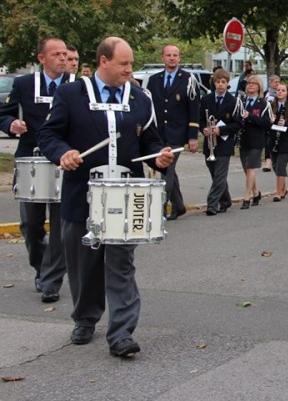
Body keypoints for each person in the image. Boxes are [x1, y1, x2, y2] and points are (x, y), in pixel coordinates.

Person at [37, 36, 174, 356]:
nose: (130, 69)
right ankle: (85, 317)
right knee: (84, 263)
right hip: (80, 194)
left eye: (131, 63)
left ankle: (122, 332)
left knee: (121, 263)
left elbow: (151, 142)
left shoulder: (141, 99)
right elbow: (48, 134)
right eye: (124, 64)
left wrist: (159, 157)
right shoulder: (72, 94)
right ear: (103, 62)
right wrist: (63, 153)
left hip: (125, 197)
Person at [0, 37, 73, 302]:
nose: (63, 59)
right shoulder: (23, 84)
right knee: (30, 224)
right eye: (57, 55)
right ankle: (41, 267)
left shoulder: (76, 86)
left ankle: (52, 280)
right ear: (42, 58)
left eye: (65, 54)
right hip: (31, 161)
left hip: (64, 162)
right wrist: (11, 124)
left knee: (60, 225)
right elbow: (4, 113)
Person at [145, 44, 200, 221]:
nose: (172, 58)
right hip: (159, 133)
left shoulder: (189, 79)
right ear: (163, 57)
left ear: (179, 58)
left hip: (178, 133)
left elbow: (194, 109)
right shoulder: (154, 80)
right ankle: (179, 206)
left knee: (166, 168)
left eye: (175, 55)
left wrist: (192, 136)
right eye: (168, 55)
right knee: (170, 171)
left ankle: (161, 206)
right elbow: (149, 108)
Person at [200, 70, 241, 216]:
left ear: (228, 83)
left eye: (223, 82)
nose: (220, 85)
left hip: (224, 143)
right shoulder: (206, 99)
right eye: (218, 82)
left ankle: (212, 205)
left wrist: (220, 130)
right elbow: (200, 119)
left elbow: (237, 124)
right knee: (214, 173)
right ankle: (225, 200)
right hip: (209, 143)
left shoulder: (234, 101)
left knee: (219, 175)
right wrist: (204, 129)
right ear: (214, 83)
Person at [238, 75, 269, 208]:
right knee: (246, 168)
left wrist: (250, 116)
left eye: (254, 83)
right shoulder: (241, 101)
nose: (250, 85)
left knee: (251, 168)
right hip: (243, 139)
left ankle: (246, 197)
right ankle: (256, 192)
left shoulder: (263, 103)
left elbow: (266, 122)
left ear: (259, 87)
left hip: (256, 139)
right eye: (249, 83)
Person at [267, 82, 288, 201]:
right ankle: (283, 189)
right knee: (275, 166)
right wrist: (270, 122)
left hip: (287, 141)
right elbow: (265, 123)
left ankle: (278, 193)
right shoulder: (271, 105)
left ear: (287, 93)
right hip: (274, 140)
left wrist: (286, 124)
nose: (280, 92)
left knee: (281, 166)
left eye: (283, 90)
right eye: (278, 90)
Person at [262, 75, 281, 173]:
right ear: (270, 83)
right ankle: (268, 161)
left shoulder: (279, 94)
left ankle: (276, 159)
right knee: (266, 140)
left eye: (278, 82)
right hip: (266, 119)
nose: (277, 84)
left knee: (274, 139)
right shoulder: (265, 93)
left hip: (276, 119)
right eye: (275, 82)